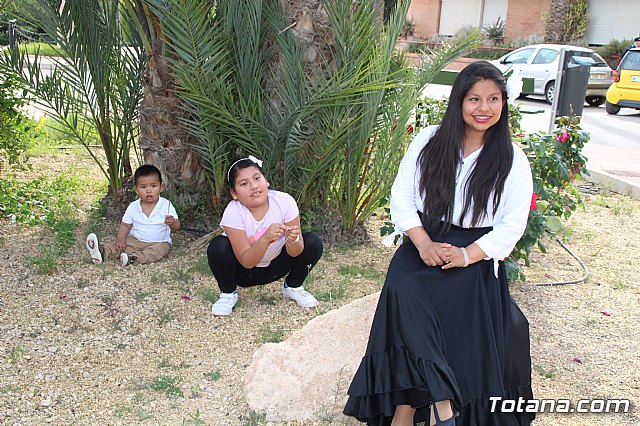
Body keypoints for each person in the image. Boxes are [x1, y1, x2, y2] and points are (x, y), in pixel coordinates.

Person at [343, 61, 535, 426]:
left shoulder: (512, 158)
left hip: (477, 252)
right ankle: (435, 402)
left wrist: (466, 255)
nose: (484, 108)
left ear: (504, 103)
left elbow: (512, 226)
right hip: (424, 238)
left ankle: (412, 408)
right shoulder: (430, 140)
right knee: (403, 286)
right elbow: (402, 197)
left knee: (457, 301)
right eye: (474, 98)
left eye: (494, 99)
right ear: (459, 101)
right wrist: (423, 243)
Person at [207, 156, 323, 316]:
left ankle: (293, 287)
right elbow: (246, 262)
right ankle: (228, 294)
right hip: (244, 273)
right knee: (218, 246)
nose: (254, 186)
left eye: (257, 178)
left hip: (276, 267)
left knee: (313, 242)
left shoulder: (285, 202)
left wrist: (293, 240)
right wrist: (265, 238)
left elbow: (296, 252)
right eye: (244, 184)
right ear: (234, 193)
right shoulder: (233, 212)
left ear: (266, 181)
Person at [86, 164, 180, 266]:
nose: (148, 190)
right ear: (136, 190)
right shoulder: (133, 206)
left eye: (153, 186)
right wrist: (121, 239)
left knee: (159, 251)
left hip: (158, 242)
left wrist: (172, 223)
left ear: (161, 187)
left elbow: (176, 227)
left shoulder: (166, 205)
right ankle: (103, 252)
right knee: (123, 247)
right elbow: (126, 225)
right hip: (136, 239)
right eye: (143, 187)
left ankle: (134, 258)